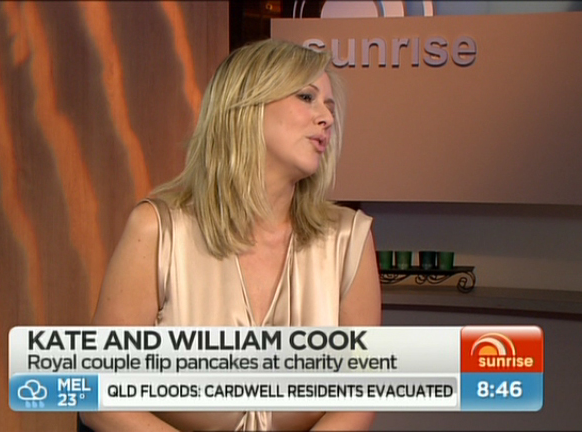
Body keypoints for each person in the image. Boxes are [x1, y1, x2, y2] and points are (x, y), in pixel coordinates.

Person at [80, 38, 381, 432]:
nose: (326, 117)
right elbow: (98, 396)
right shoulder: (158, 230)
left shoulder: (349, 240)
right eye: (307, 97)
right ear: (246, 107)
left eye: (330, 106)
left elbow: (358, 398)